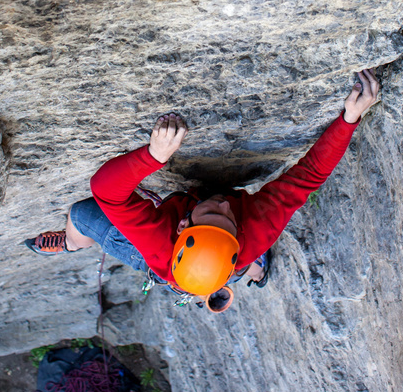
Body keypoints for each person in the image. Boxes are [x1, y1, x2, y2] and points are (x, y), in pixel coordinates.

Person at [25, 70, 379, 309]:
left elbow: (105, 192)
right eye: (228, 219)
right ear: (237, 239)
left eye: (212, 213)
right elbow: (309, 175)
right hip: (232, 258)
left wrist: (153, 156)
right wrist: (349, 118)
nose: (223, 204)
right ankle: (248, 271)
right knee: (238, 262)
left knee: (81, 215)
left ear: (183, 225)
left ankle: (72, 243)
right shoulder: (255, 230)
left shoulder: (159, 242)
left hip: (171, 265)